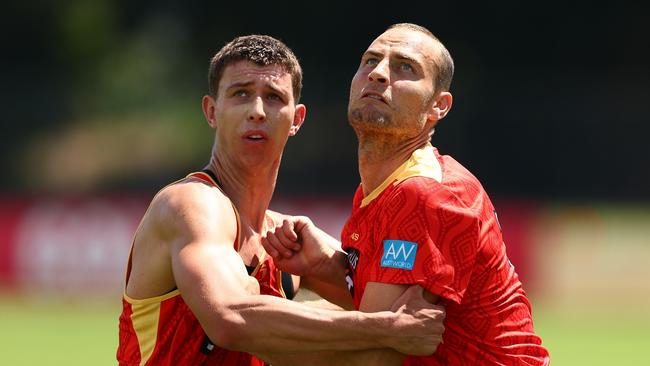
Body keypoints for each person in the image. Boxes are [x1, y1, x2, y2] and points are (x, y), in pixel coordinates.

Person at [116, 34, 447, 366]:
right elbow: (229, 318)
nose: (257, 111)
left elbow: (386, 306)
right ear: (212, 111)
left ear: (297, 119)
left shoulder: (285, 242)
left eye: (273, 97)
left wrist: (328, 266)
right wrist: (382, 329)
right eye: (241, 94)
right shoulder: (191, 204)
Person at [263, 23, 551, 365]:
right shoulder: (386, 185)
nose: (378, 74)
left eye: (405, 67)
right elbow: (381, 321)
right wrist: (323, 266)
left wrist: (250, 329)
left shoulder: (424, 193)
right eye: (370, 61)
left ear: (438, 106)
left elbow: (373, 352)